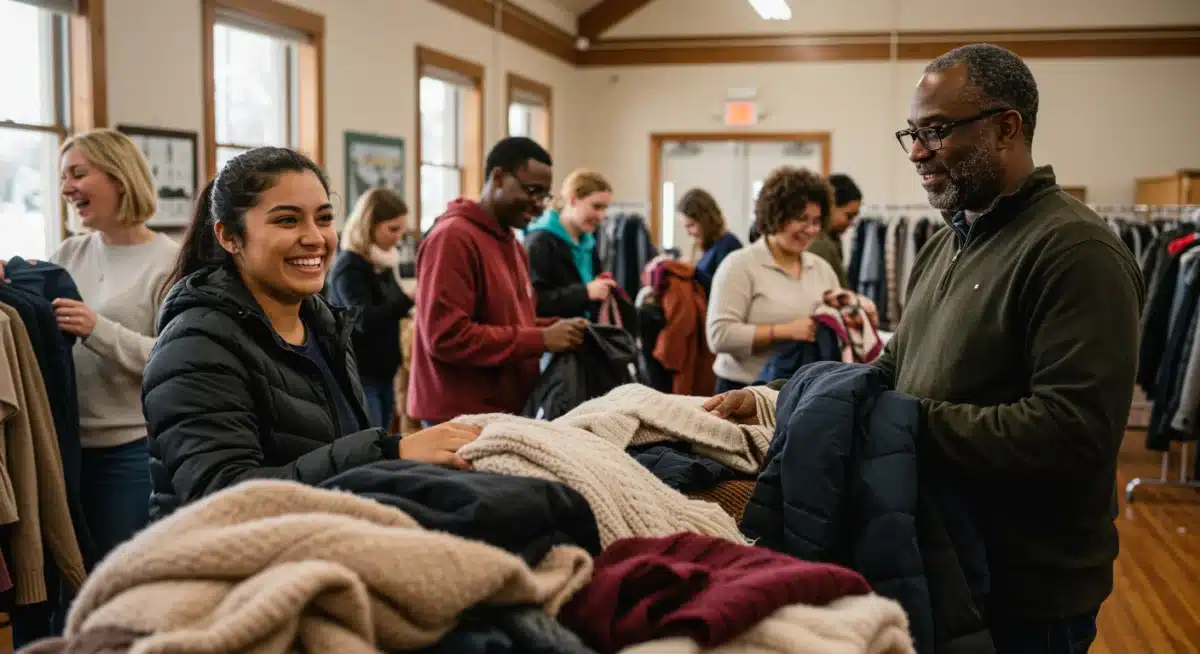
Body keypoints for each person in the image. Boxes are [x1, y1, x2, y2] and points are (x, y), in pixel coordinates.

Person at [706, 43, 1143, 654]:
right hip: (939, 556)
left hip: (1030, 588)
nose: (916, 152)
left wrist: (905, 425)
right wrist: (771, 399)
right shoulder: (946, 245)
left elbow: (1073, 432)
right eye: (911, 133)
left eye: (936, 132)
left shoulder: (1074, 252)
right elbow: (890, 373)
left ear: (1006, 127)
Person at [143, 147, 479, 520]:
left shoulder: (323, 326)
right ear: (229, 236)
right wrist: (389, 452)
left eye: (324, 218)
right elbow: (222, 500)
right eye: (287, 221)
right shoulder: (196, 345)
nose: (315, 238)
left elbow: (337, 456)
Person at [43, 129, 179, 559]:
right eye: (63, 177)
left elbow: (174, 361)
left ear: (119, 177)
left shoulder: (169, 263)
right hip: (64, 448)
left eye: (78, 174)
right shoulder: (67, 255)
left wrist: (95, 329)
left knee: (117, 576)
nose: (66, 188)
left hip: (131, 455)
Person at [408, 137, 588, 426]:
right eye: (532, 191)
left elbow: (509, 321)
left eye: (544, 196)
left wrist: (558, 329)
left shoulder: (512, 242)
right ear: (498, 177)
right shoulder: (453, 238)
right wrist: (540, 339)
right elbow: (446, 336)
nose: (539, 205)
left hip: (502, 411)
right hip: (459, 418)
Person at [705, 166, 841, 393]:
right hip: (744, 390)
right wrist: (783, 331)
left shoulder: (821, 268)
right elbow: (719, 336)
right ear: (776, 215)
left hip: (806, 392)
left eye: (817, 221)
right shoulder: (739, 265)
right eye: (801, 219)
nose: (811, 229)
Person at [327, 187, 415, 429]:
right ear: (369, 225)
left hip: (384, 371)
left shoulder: (384, 264)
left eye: (402, 230)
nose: (399, 237)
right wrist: (407, 298)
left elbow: (391, 306)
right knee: (371, 441)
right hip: (361, 373)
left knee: (384, 436)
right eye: (393, 229)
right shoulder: (349, 268)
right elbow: (364, 319)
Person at [525, 168, 617, 319]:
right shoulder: (539, 242)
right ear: (573, 199)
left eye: (605, 208)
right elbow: (534, 302)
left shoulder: (589, 242)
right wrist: (585, 293)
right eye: (596, 207)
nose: (601, 216)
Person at [677, 187, 742, 294]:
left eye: (691, 225)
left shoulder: (728, 244)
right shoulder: (704, 246)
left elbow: (724, 287)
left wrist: (690, 272)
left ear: (705, 220)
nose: (688, 233)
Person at [805, 173, 861, 288]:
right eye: (849, 216)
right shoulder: (819, 244)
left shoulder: (833, 239)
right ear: (830, 207)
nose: (852, 222)